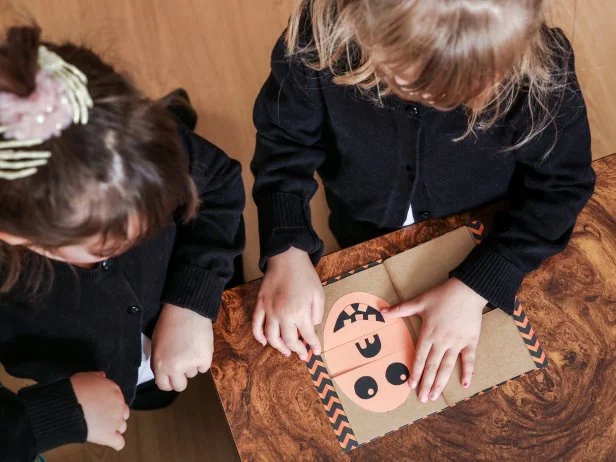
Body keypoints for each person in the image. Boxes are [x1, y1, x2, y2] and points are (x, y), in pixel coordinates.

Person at [251, 0, 594, 405]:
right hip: (360, 226)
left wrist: (477, 285)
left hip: (489, 241)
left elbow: (561, 187)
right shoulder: (318, 39)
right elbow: (284, 143)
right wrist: (286, 247)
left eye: (460, 92)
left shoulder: (541, 75)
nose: (432, 101)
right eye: (407, 80)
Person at [0, 26, 245, 459]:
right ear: (20, 238)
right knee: (149, 394)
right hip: (90, 366)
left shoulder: (136, 144)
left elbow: (220, 181)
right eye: (110, 248)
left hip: (180, 310)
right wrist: (57, 414)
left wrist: (192, 300)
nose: (139, 239)